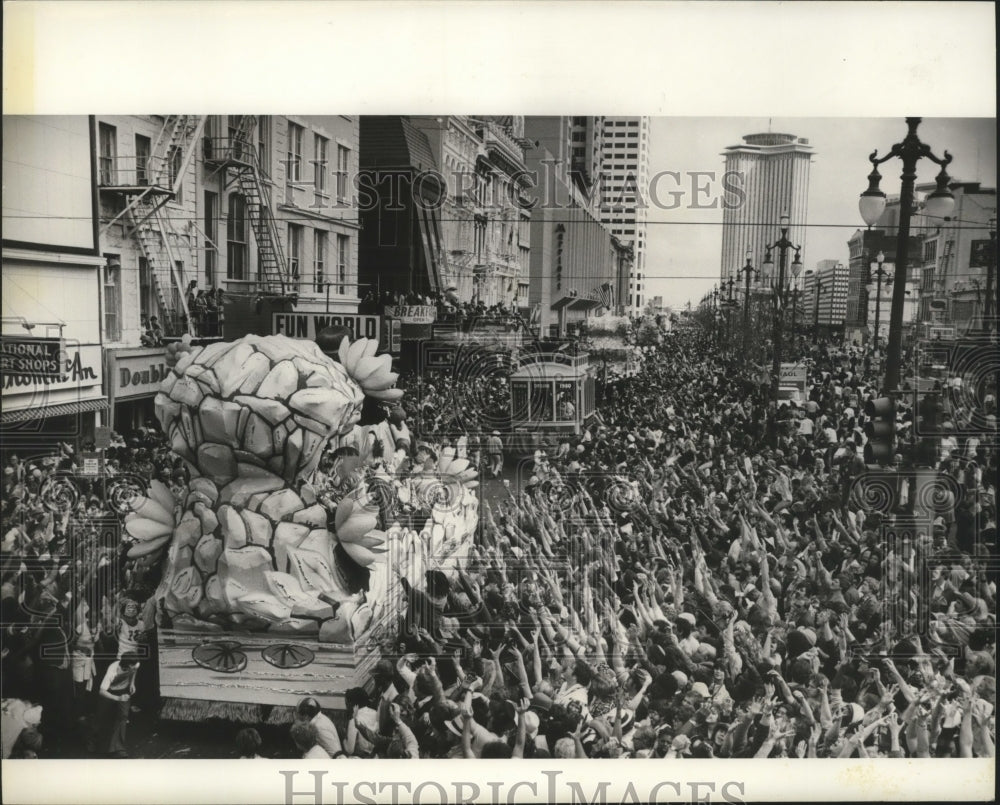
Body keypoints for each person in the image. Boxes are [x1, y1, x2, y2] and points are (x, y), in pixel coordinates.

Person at [91, 652, 140, 757]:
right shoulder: (112, 670)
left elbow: (135, 670)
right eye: (131, 666)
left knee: (123, 716)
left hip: (123, 691)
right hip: (109, 692)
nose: (135, 666)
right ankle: (93, 742)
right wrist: (117, 698)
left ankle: (119, 748)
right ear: (127, 665)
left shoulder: (135, 664)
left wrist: (132, 683)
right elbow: (102, 691)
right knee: (101, 718)